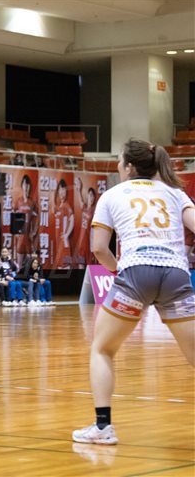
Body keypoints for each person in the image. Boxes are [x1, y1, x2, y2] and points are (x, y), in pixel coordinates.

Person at [73, 139, 195, 445]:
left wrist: (119, 272)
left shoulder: (112, 195)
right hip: (175, 274)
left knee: (102, 349)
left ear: (128, 167)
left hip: (135, 274)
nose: (117, 165)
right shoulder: (175, 193)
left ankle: (103, 427)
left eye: (119, 160)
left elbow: (99, 249)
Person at [13, 175, 38, 267]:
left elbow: (37, 218)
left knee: (30, 264)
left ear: (29, 187)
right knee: (19, 264)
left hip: (29, 237)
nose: (26, 187)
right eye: (24, 185)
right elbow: (14, 216)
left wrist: (34, 231)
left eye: (28, 185)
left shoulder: (32, 203)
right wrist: (16, 231)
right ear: (22, 186)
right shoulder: (18, 201)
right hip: (20, 236)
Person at [74, 177, 97, 269]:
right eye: (90, 195)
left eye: (93, 196)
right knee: (80, 265)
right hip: (81, 242)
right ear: (87, 196)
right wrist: (78, 188)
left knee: (89, 268)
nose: (91, 197)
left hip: (89, 243)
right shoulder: (84, 208)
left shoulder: (94, 210)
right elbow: (80, 199)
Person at [53, 178, 74, 269]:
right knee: (60, 267)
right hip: (58, 243)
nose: (62, 192)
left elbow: (72, 220)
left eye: (64, 190)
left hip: (64, 243)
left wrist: (66, 235)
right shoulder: (58, 207)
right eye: (60, 190)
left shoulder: (66, 206)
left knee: (66, 267)